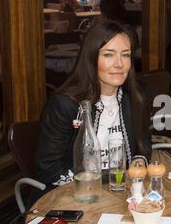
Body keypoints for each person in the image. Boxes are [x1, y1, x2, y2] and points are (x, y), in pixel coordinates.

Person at [35, 20, 152, 197]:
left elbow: (143, 145)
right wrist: (98, 185)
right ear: (91, 58)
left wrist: (138, 162)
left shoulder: (134, 98)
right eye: (108, 55)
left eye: (126, 55)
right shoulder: (65, 105)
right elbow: (48, 169)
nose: (119, 64)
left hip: (121, 193)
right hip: (74, 197)